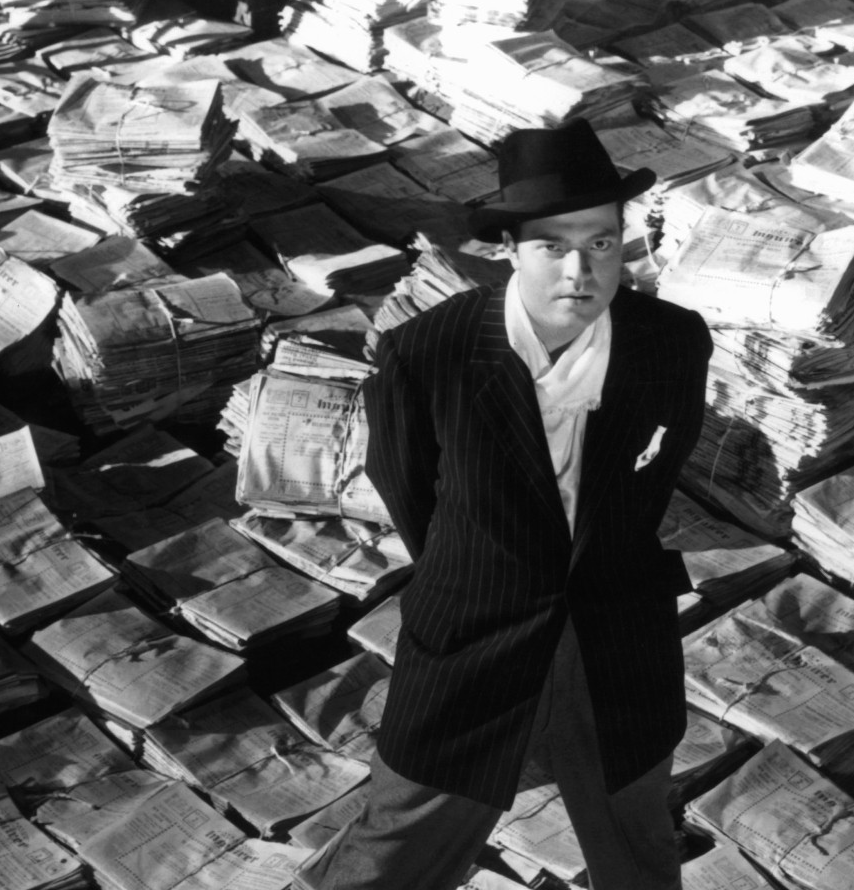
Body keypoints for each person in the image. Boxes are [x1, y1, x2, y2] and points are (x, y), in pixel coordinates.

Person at [295, 119, 713, 890]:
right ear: (510, 250)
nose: (579, 270)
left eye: (600, 243)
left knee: (640, 846)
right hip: (474, 636)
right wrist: (484, 569)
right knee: (396, 846)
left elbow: (656, 474)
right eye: (552, 246)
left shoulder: (673, 343)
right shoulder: (429, 351)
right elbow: (407, 486)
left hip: (616, 637)